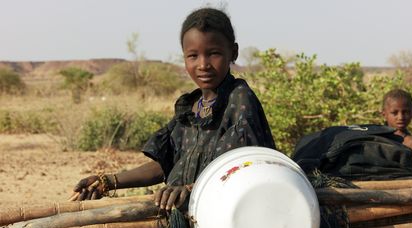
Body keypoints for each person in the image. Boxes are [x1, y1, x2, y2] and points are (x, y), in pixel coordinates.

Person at [69, 7, 276, 210]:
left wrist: (189, 189)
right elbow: (165, 165)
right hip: (188, 219)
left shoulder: (239, 99)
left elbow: (241, 170)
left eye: (214, 54)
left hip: (223, 219)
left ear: (234, 52)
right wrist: (108, 181)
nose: (203, 64)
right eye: (193, 56)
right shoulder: (191, 109)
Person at [381, 88, 412, 162]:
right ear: (384, 114)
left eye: (405, 112)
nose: (401, 117)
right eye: (394, 113)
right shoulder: (376, 138)